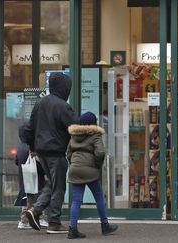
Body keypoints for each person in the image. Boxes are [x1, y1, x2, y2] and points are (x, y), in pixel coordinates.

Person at [24, 72, 78, 233]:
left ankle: (35, 210)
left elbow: (29, 128)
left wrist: (32, 147)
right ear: (65, 88)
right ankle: (54, 222)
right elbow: (75, 128)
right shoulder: (63, 106)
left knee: (52, 184)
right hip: (56, 151)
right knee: (59, 187)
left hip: (41, 151)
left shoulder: (40, 103)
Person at [66, 112, 118, 239]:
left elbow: (68, 153)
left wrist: (73, 163)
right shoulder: (95, 134)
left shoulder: (74, 135)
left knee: (76, 200)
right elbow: (100, 152)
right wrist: (97, 165)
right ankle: (105, 225)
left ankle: (72, 229)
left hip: (75, 169)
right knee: (99, 197)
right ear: (93, 123)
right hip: (90, 170)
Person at [14, 122, 48, 229]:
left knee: (27, 199)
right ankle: (28, 219)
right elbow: (39, 164)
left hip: (24, 178)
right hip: (34, 178)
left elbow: (16, 161)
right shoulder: (31, 148)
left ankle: (25, 220)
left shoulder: (20, 148)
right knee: (34, 199)